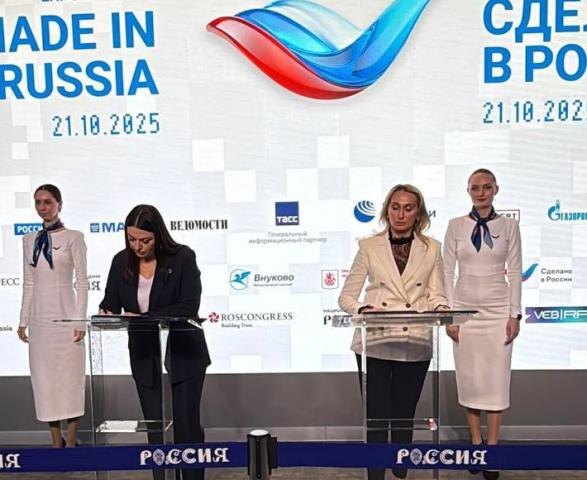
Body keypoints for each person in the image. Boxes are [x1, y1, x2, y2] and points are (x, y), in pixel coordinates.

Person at [339, 184, 448, 480]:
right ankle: (375, 473)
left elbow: (437, 293)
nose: (400, 214)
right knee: (376, 415)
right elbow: (346, 296)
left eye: (408, 208)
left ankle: (400, 464)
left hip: (415, 340)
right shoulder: (368, 246)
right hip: (375, 340)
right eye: (395, 207)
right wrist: (363, 309)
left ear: (419, 214)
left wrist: (441, 308)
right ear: (387, 210)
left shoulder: (432, 248)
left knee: (404, 412)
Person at [99, 205, 210, 480]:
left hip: (184, 353)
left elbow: (188, 306)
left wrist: (143, 317)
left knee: (186, 427)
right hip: (144, 355)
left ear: (158, 236)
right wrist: (105, 312)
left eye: (144, 240)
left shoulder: (183, 258)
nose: (137, 246)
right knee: (155, 429)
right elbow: (111, 303)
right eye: (131, 239)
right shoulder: (120, 262)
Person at [443, 168, 522, 480]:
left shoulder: (510, 226)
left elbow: (515, 270)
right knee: (472, 379)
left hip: (498, 311)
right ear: (468, 191)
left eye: (486, 187)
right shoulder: (455, 225)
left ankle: (493, 449)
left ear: (495, 190)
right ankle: (475, 445)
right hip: (465, 311)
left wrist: (514, 314)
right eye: (475, 188)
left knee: (495, 380)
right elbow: (446, 271)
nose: (481, 193)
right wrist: (451, 315)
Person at [18, 184, 88, 447]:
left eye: (47, 201)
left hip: (67, 321)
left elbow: (82, 282)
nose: (42, 207)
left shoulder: (74, 237)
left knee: (70, 381)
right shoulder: (28, 240)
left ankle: (71, 442)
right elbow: (28, 282)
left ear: (59, 204)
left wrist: (80, 320)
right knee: (45, 382)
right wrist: (23, 319)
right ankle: (56, 442)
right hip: (40, 324)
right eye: (38, 202)